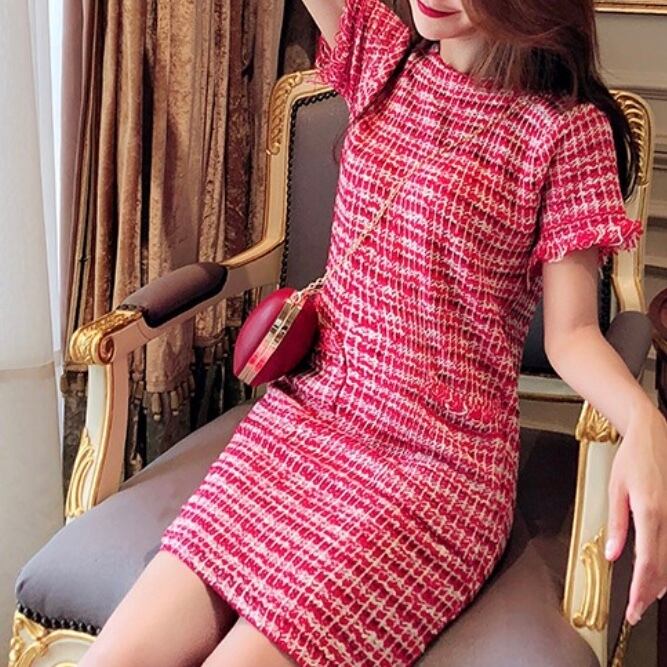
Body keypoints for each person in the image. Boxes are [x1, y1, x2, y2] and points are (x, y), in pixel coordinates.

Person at [78, 0, 667, 666]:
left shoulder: (563, 131)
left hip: (434, 466)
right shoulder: (382, 58)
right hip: (302, 425)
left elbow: (572, 336)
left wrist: (643, 420)